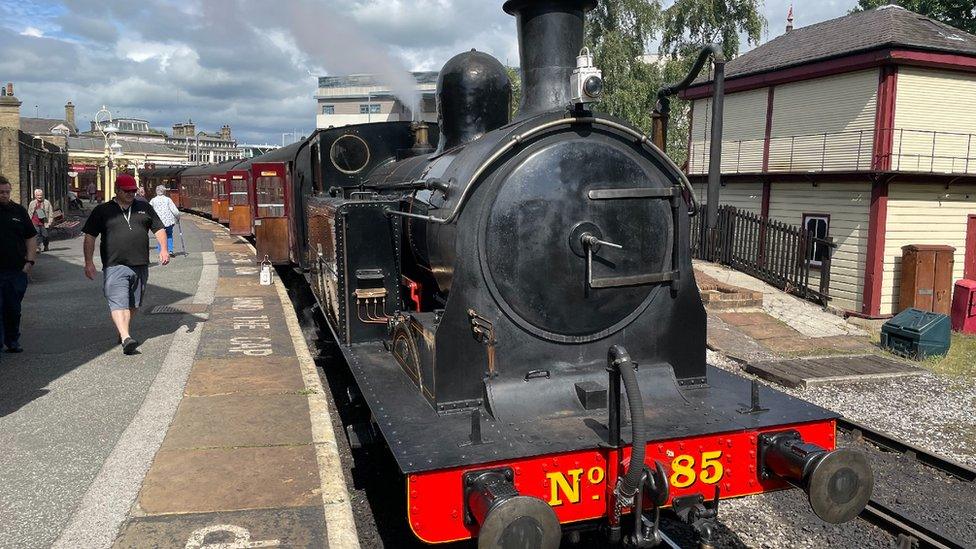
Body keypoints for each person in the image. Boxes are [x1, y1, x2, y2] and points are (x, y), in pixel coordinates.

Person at [83, 174, 169, 355]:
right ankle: (126, 337)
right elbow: (90, 236)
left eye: (133, 190)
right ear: (117, 191)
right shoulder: (103, 210)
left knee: (133, 303)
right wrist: (89, 262)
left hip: (140, 263)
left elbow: (158, 228)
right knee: (117, 301)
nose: (131, 193)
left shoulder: (144, 207)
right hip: (115, 264)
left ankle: (123, 332)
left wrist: (163, 249)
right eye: (127, 191)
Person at [0, 175, 37, 354]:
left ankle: (12, 340)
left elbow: (30, 236)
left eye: (7, 192)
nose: (4, 195)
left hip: (16, 270)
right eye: (1, 192)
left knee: (13, 309)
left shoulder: (18, 211)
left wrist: (29, 261)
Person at [149, 185, 180, 254]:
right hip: (168, 221)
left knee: (160, 235)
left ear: (156, 191)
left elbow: (149, 210)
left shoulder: (153, 200)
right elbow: (175, 211)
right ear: (164, 192)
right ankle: (170, 250)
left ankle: (161, 250)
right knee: (169, 235)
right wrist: (178, 217)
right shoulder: (168, 200)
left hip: (158, 222)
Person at [27, 188, 54, 252]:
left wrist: (50, 221)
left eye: (41, 195)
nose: (40, 197)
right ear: (35, 196)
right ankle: (37, 247)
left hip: (44, 222)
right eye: (38, 195)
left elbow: (51, 212)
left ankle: (46, 245)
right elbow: (29, 213)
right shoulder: (32, 203)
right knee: (37, 235)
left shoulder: (47, 202)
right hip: (34, 222)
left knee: (45, 236)